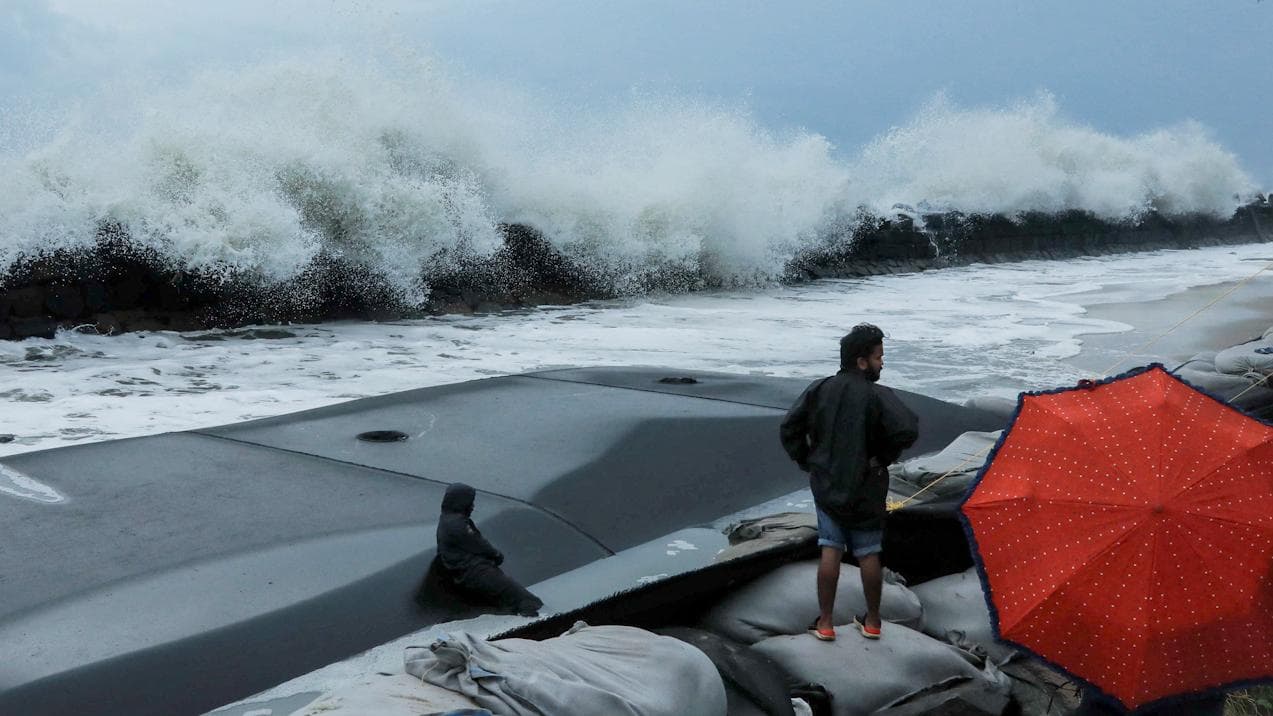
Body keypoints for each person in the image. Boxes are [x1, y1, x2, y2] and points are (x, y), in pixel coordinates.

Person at [779, 323, 918, 640]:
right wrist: (882, 456)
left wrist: (807, 459)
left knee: (830, 549)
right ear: (861, 361)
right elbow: (907, 429)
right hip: (867, 485)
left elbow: (789, 427)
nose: (882, 363)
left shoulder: (821, 388)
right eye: (879, 357)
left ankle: (825, 623)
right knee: (868, 552)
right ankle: (872, 621)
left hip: (828, 482)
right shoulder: (877, 395)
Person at [436, 482, 543, 617]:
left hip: (469, 572)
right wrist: (496, 554)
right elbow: (477, 543)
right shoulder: (457, 524)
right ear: (461, 502)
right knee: (527, 602)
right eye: (470, 502)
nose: (473, 507)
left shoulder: (446, 520)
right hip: (477, 571)